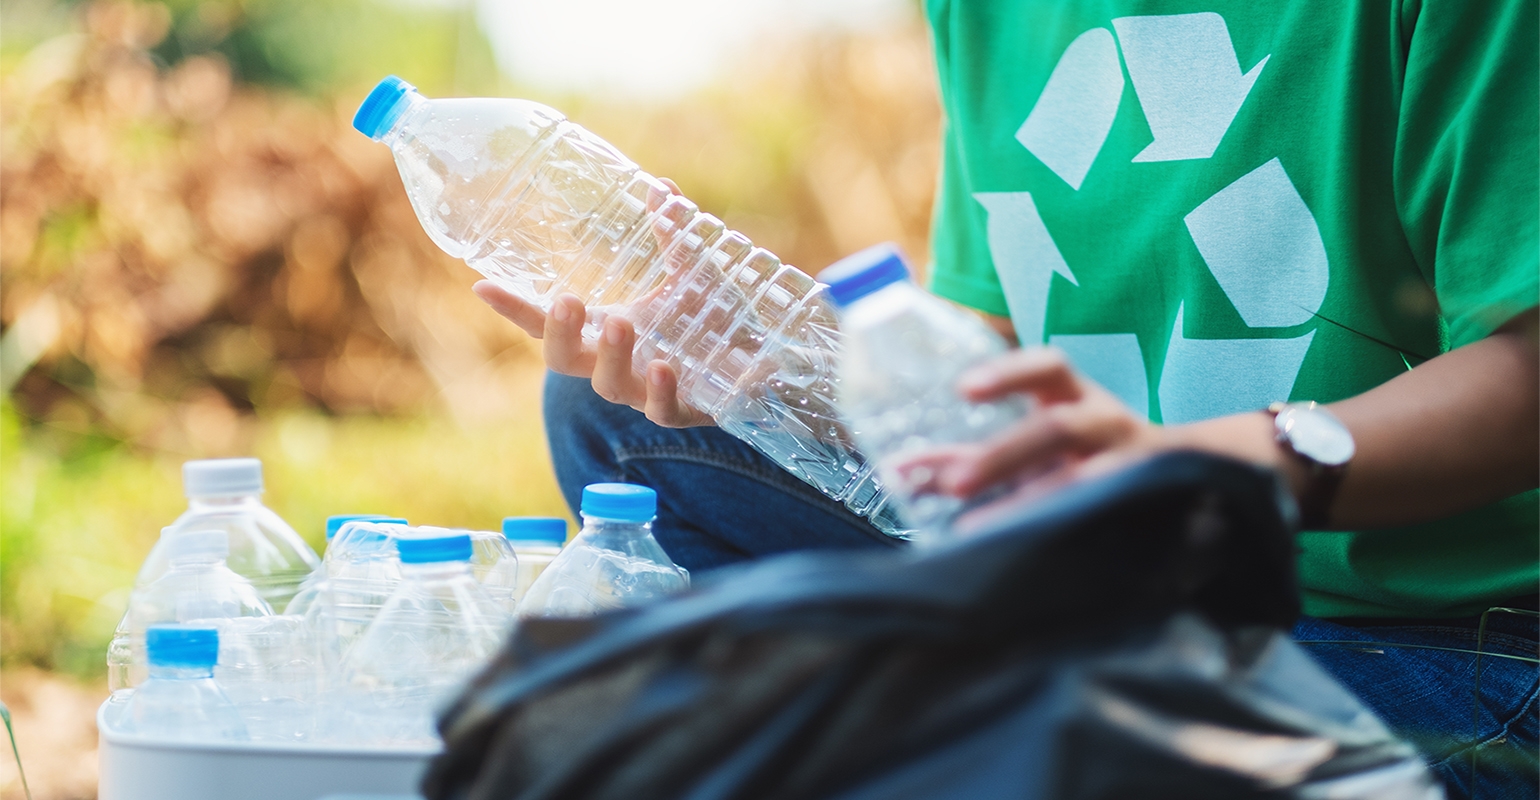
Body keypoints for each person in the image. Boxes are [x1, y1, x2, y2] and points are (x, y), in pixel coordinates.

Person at [475, 1, 1538, 796]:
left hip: (1431, 637)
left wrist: (1223, 465)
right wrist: (780, 380)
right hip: (1112, 588)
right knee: (616, 420)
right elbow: (998, 354)